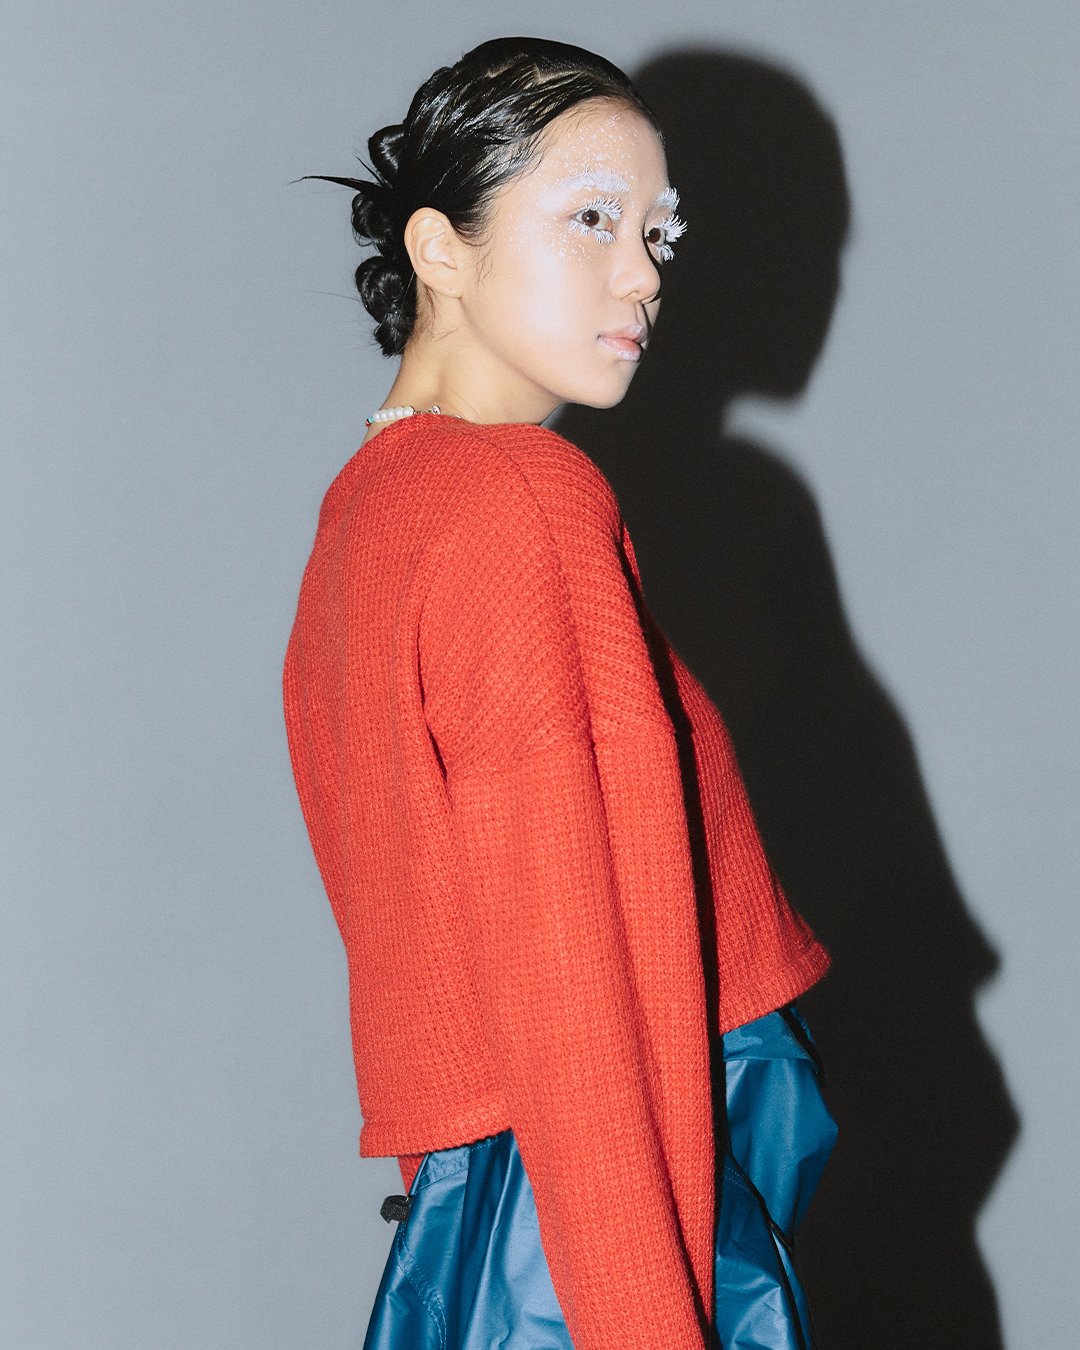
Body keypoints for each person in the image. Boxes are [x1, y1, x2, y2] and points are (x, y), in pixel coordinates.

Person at [283, 36, 836, 1350]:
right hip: (614, 1202)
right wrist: (646, 1318)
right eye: (592, 218)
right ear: (440, 248)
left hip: (508, 1215)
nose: (643, 271)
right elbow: (570, 974)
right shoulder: (523, 499)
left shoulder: (367, 513)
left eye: (658, 231)